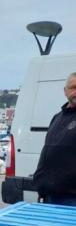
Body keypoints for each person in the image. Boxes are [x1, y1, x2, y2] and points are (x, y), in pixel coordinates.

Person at [34, 72, 76, 205]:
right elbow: (46, 152)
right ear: (65, 91)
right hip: (50, 195)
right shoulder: (57, 118)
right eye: (73, 87)